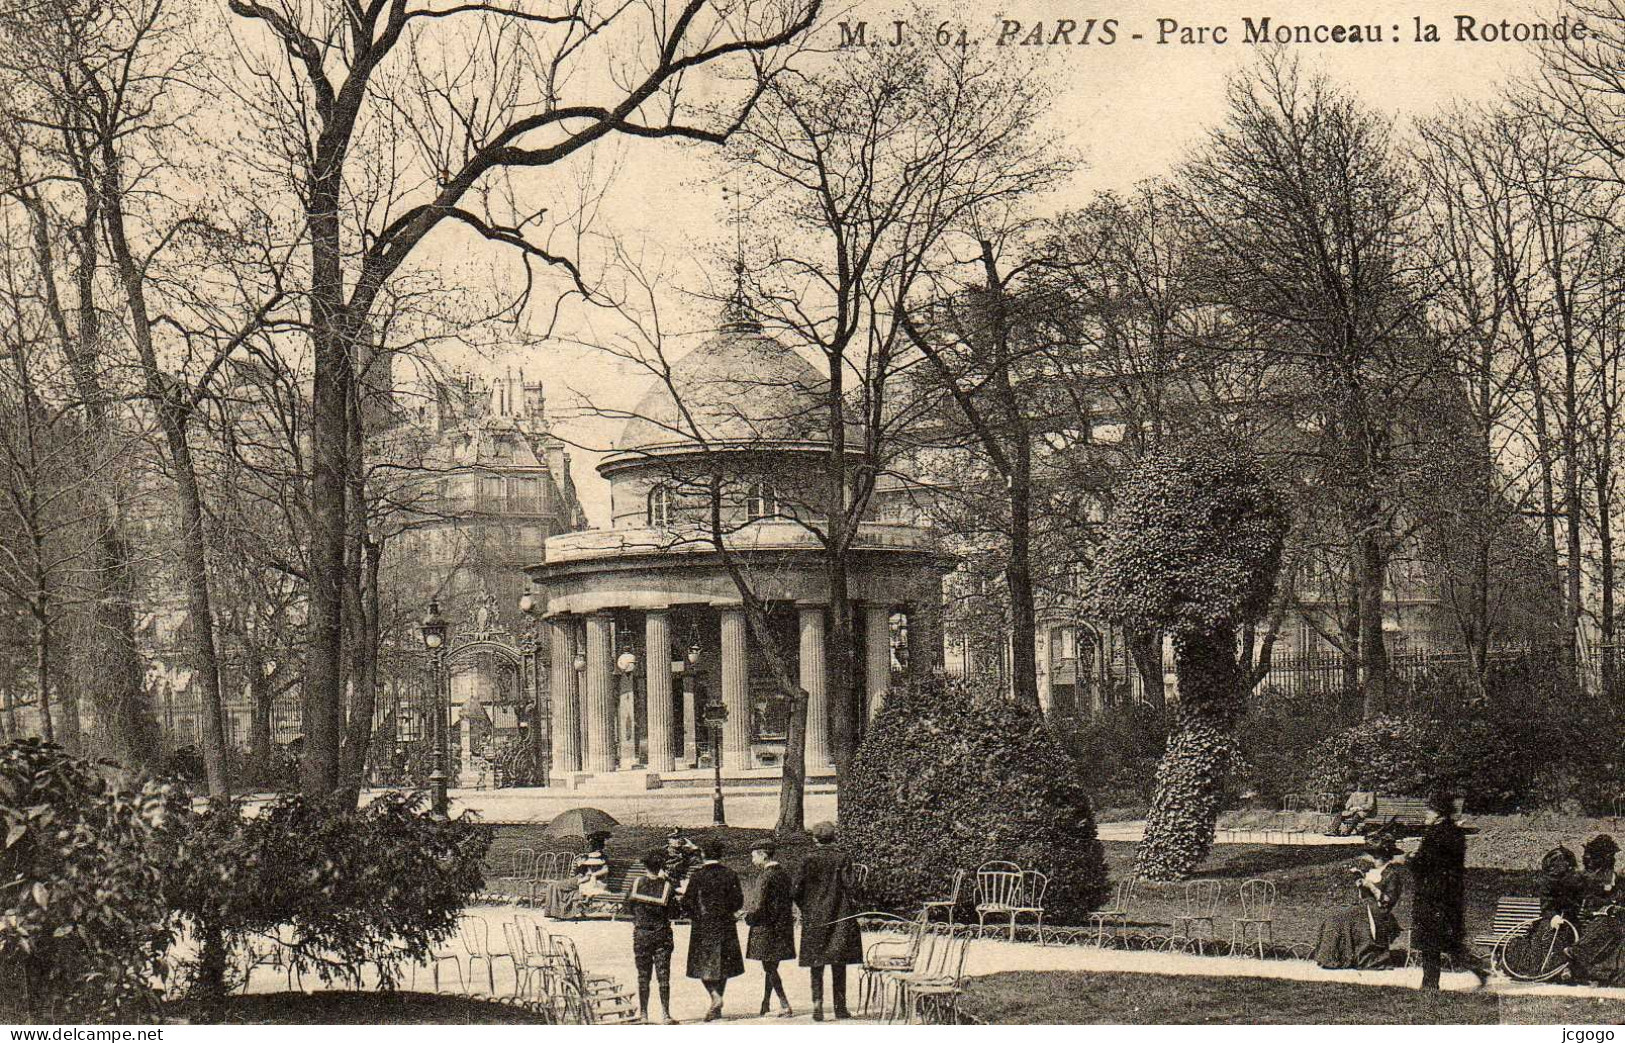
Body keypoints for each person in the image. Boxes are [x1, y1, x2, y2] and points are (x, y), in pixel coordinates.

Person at [1408, 790, 1488, 990]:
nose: (1426, 814)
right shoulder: (1456, 833)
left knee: (1429, 942)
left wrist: (1408, 859)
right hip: (1451, 894)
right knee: (1450, 941)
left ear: (1438, 813)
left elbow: (1423, 864)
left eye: (1430, 810)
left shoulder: (1433, 835)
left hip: (1431, 894)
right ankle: (1477, 968)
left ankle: (1429, 984)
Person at [794, 821, 863, 1021]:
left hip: (814, 917)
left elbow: (796, 889)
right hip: (840, 915)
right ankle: (840, 1008)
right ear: (834, 837)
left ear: (814, 838)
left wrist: (806, 908)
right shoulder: (842, 857)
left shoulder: (807, 859)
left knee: (816, 963)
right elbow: (851, 886)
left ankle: (817, 1005)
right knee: (838, 962)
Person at [1312, 829, 1406, 969]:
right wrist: (1361, 884)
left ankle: (1345, 958)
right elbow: (1363, 896)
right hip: (1364, 908)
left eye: (1377, 857)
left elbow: (1387, 901)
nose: (1374, 860)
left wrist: (1370, 886)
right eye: (1373, 856)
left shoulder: (1392, 874)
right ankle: (1334, 958)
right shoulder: (1373, 871)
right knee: (1334, 914)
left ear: (1385, 856)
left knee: (1343, 915)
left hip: (1378, 912)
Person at [684, 837, 745, 1021]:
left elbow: (687, 902)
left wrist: (694, 914)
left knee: (701, 965)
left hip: (703, 926)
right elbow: (738, 901)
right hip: (725, 925)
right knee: (723, 966)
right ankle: (717, 1003)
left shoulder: (697, 876)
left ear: (703, 854)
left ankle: (715, 997)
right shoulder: (730, 874)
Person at [745, 839, 796, 1017]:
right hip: (783, 927)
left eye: (754, 856)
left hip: (766, 929)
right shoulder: (783, 873)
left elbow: (759, 906)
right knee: (771, 966)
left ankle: (784, 1004)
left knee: (769, 967)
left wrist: (748, 918)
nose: (752, 860)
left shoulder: (765, 876)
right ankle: (765, 1003)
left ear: (764, 855)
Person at [629, 849, 680, 1024]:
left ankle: (644, 1014)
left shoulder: (637, 884)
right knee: (663, 975)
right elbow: (675, 912)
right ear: (660, 867)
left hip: (642, 934)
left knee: (643, 975)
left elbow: (627, 907)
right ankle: (666, 1014)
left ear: (645, 866)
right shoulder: (667, 887)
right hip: (662, 935)